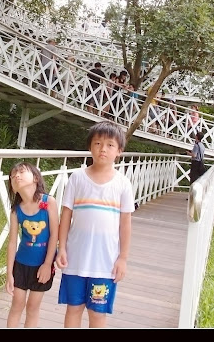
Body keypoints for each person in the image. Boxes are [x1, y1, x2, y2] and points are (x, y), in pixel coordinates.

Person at [56, 121, 135, 328]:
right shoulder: (77, 178)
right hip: (75, 259)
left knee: (97, 314)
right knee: (73, 308)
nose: (103, 149)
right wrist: (61, 247)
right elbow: (66, 215)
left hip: (105, 264)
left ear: (119, 151)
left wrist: (123, 258)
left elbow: (125, 224)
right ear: (90, 147)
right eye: (98, 143)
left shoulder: (123, 184)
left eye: (110, 145)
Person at [6, 162, 59, 328]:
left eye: (21, 172)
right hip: (21, 264)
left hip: (42, 265)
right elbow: (12, 241)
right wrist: (9, 273)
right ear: (13, 188)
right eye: (13, 176)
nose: (16, 176)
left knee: (33, 307)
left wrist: (47, 264)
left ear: (36, 178)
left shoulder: (49, 202)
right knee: (17, 304)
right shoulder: (16, 210)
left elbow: (54, 235)